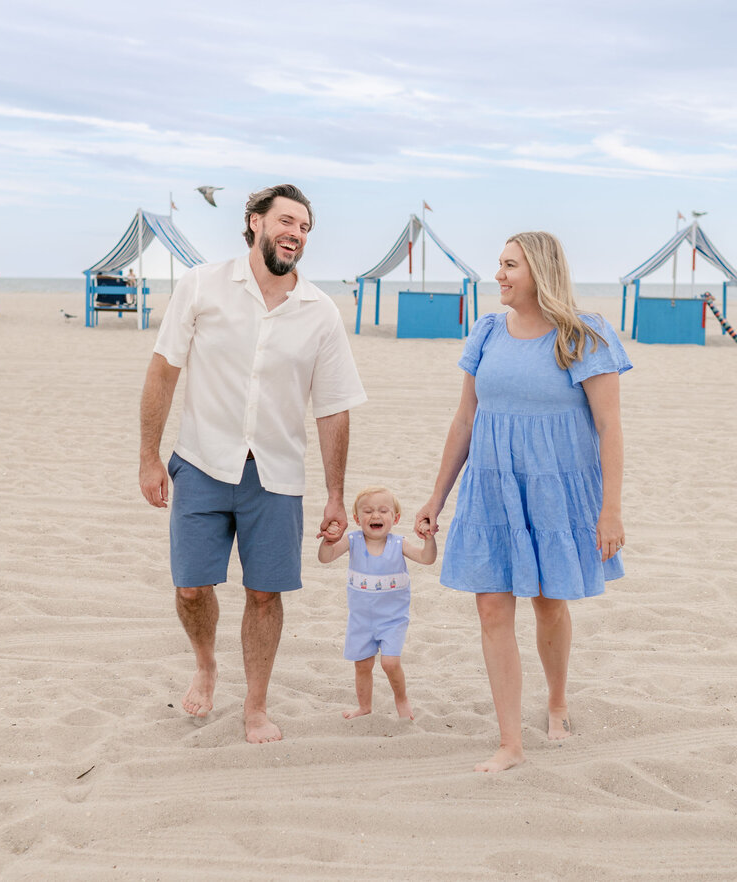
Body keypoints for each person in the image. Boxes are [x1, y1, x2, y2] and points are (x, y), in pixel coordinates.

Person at [139, 183, 367, 744]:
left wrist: (336, 494)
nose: (297, 233)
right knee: (192, 587)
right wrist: (148, 456)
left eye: (306, 227)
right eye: (287, 221)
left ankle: (256, 705)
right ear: (255, 222)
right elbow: (164, 371)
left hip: (278, 475)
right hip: (199, 462)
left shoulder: (319, 312)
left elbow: (333, 407)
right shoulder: (202, 285)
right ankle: (206, 664)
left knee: (265, 594)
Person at [415, 231, 631, 772]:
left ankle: (556, 700)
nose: (500, 275)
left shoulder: (584, 335)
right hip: (490, 487)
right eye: (500, 265)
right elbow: (465, 419)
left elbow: (609, 428)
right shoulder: (486, 331)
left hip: (554, 490)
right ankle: (510, 742)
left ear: (539, 271)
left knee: (549, 603)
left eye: (510, 265)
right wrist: (436, 498)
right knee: (491, 608)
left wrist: (611, 509)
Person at [318, 486, 437, 720]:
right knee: (362, 666)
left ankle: (401, 699)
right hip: (360, 621)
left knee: (390, 663)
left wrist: (429, 540)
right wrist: (329, 541)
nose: (375, 515)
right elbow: (325, 558)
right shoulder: (352, 541)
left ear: (396, 518)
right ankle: (364, 706)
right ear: (356, 518)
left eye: (383, 510)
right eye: (368, 511)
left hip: (392, 620)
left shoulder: (398, 544)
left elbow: (427, 558)